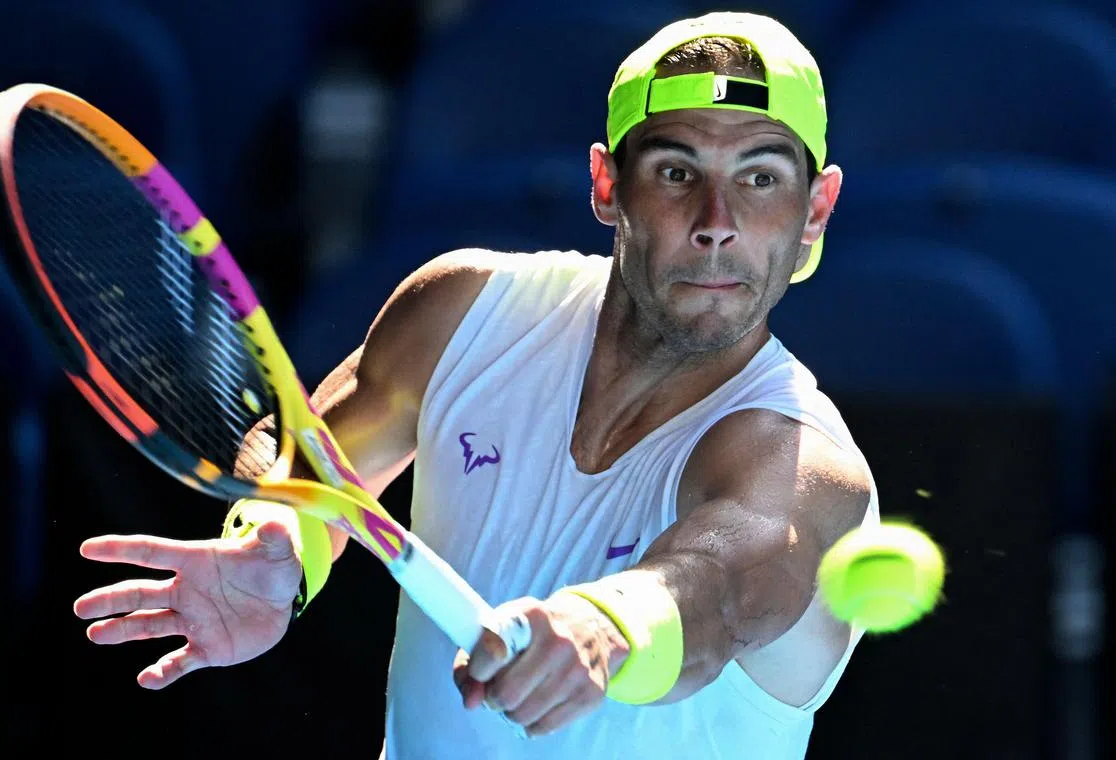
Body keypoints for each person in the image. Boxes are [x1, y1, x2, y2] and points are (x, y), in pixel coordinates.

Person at [72, 11, 880, 759]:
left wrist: (603, 627)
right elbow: (316, 468)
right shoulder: (462, 315)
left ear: (817, 208)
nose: (716, 218)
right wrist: (280, 548)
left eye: (761, 178)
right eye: (676, 171)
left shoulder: (803, 465)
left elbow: (719, 589)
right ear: (606, 185)